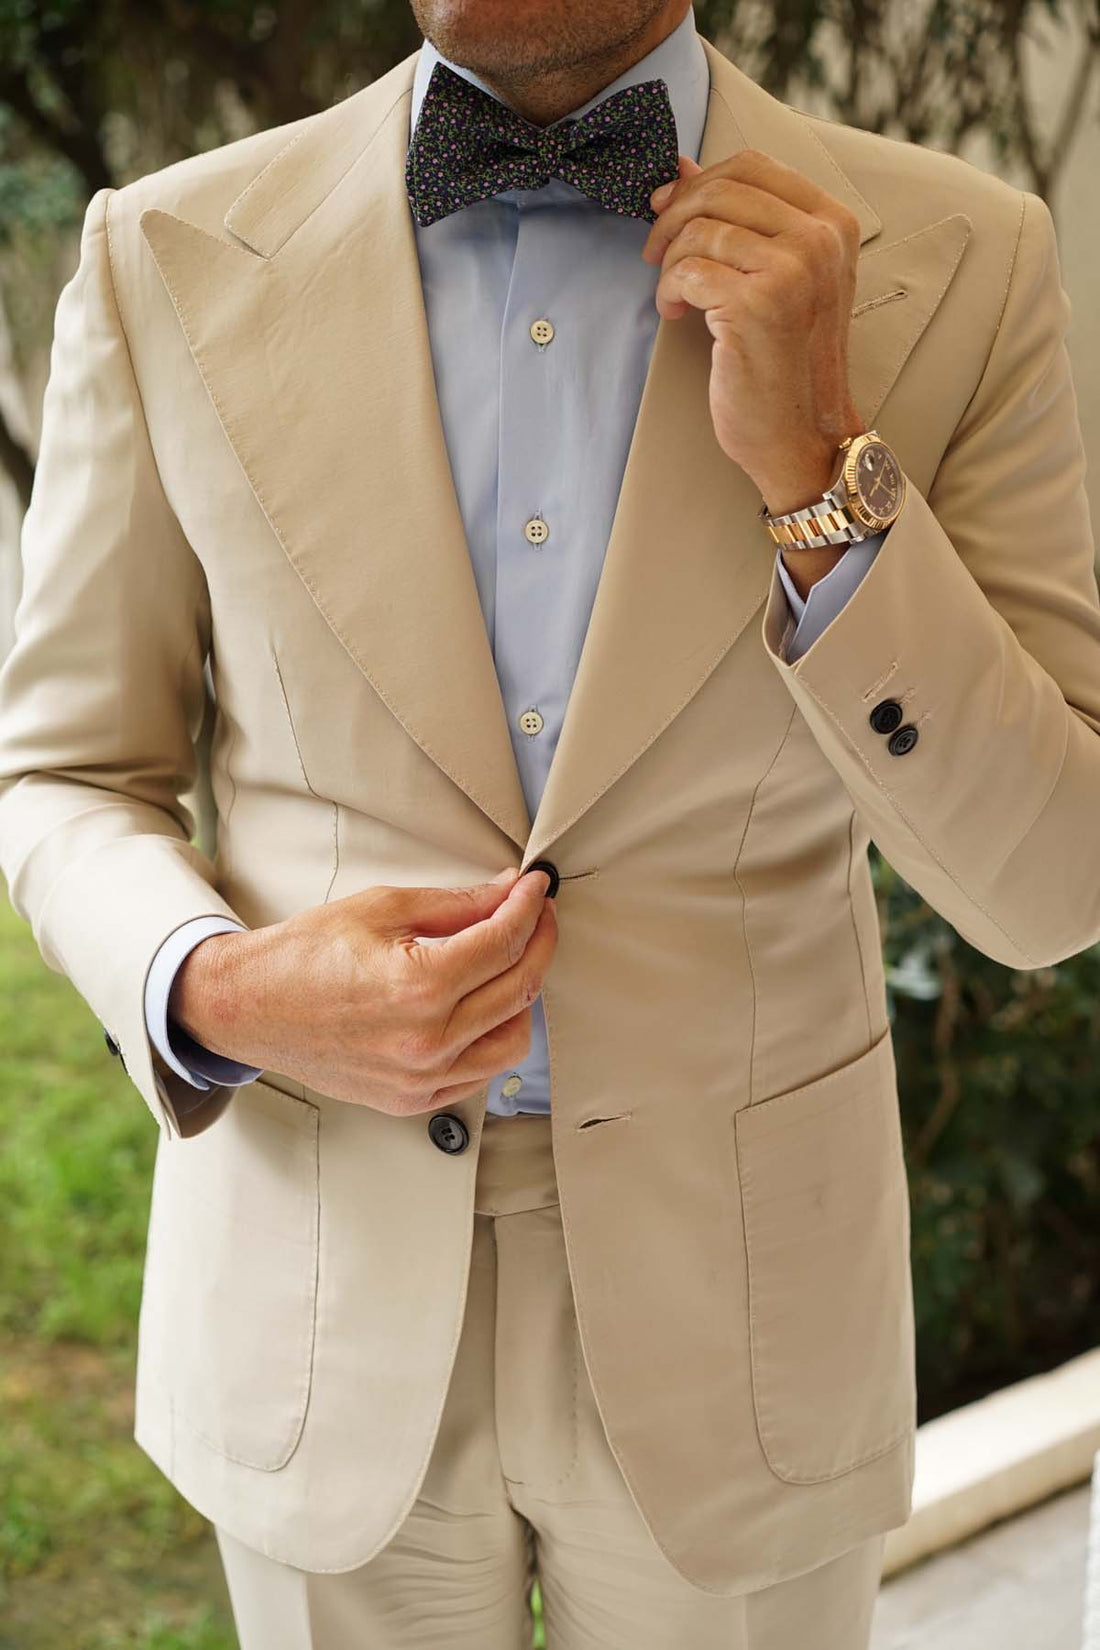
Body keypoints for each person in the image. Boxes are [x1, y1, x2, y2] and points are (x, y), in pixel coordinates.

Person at [1, 0, 1098, 1643]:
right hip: (311, 1294)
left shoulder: (960, 259)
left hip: (747, 1326)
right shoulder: (163, 253)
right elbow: (65, 775)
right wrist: (218, 989)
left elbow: (1053, 882)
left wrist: (822, 471)